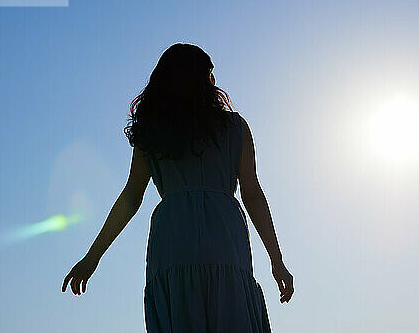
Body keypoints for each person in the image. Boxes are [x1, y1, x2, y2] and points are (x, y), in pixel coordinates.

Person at [62, 43, 294, 332]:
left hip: (173, 237)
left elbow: (132, 196)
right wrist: (276, 260)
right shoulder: (234, 126)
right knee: (230, 311)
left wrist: (92, 257)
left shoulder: (152, 130)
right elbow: (252, 193)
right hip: (223, 234)